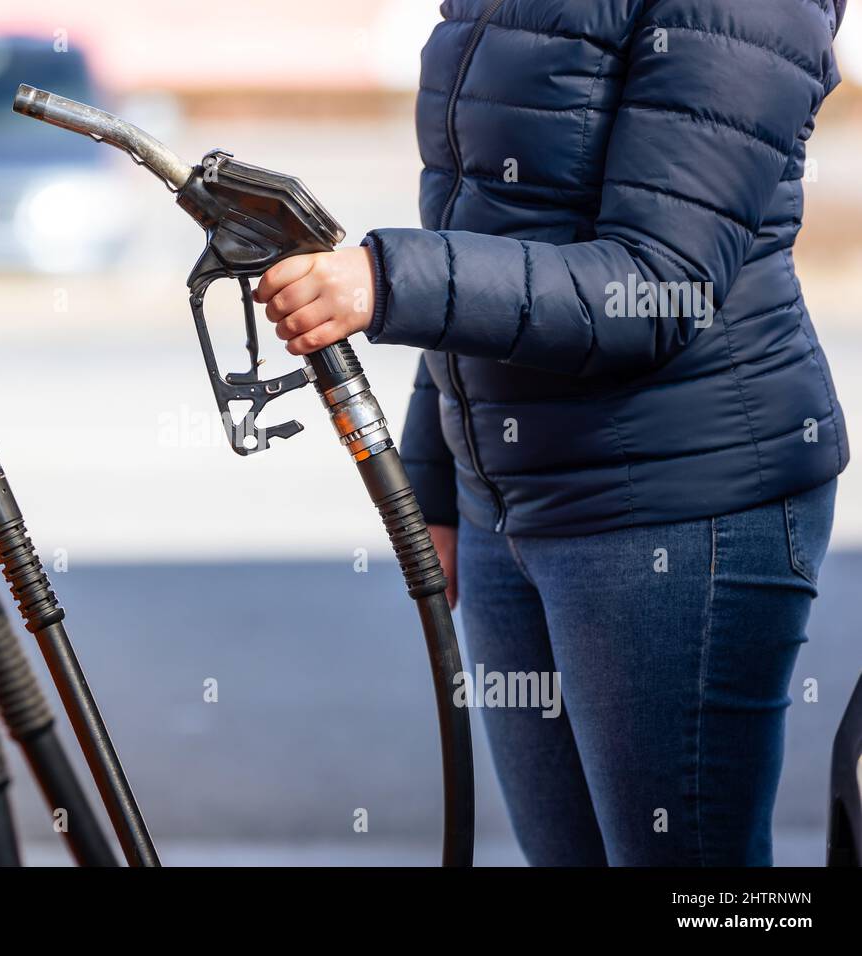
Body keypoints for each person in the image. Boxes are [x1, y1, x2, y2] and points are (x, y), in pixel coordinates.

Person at [254, 0, 850, 865]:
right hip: (508, 502)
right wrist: (436, 483)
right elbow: (488, 227)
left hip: (681, 508)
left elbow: (659, 285)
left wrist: (387, 282)